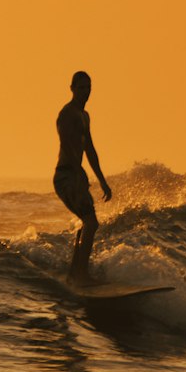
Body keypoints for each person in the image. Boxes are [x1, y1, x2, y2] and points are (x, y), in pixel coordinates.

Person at [54, 70, 112, 282]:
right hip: (66, 177)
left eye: (88, 88)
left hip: (76, 176)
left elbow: (90, 150)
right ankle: (81, 273)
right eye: (81, 88)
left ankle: (74, 272)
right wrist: (79, 174)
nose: (85, 92)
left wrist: (103, 181)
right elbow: (68, 146)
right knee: (91, 222)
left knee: (88, 222)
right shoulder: (67, 114)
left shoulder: (84, 115)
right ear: (72, 89)